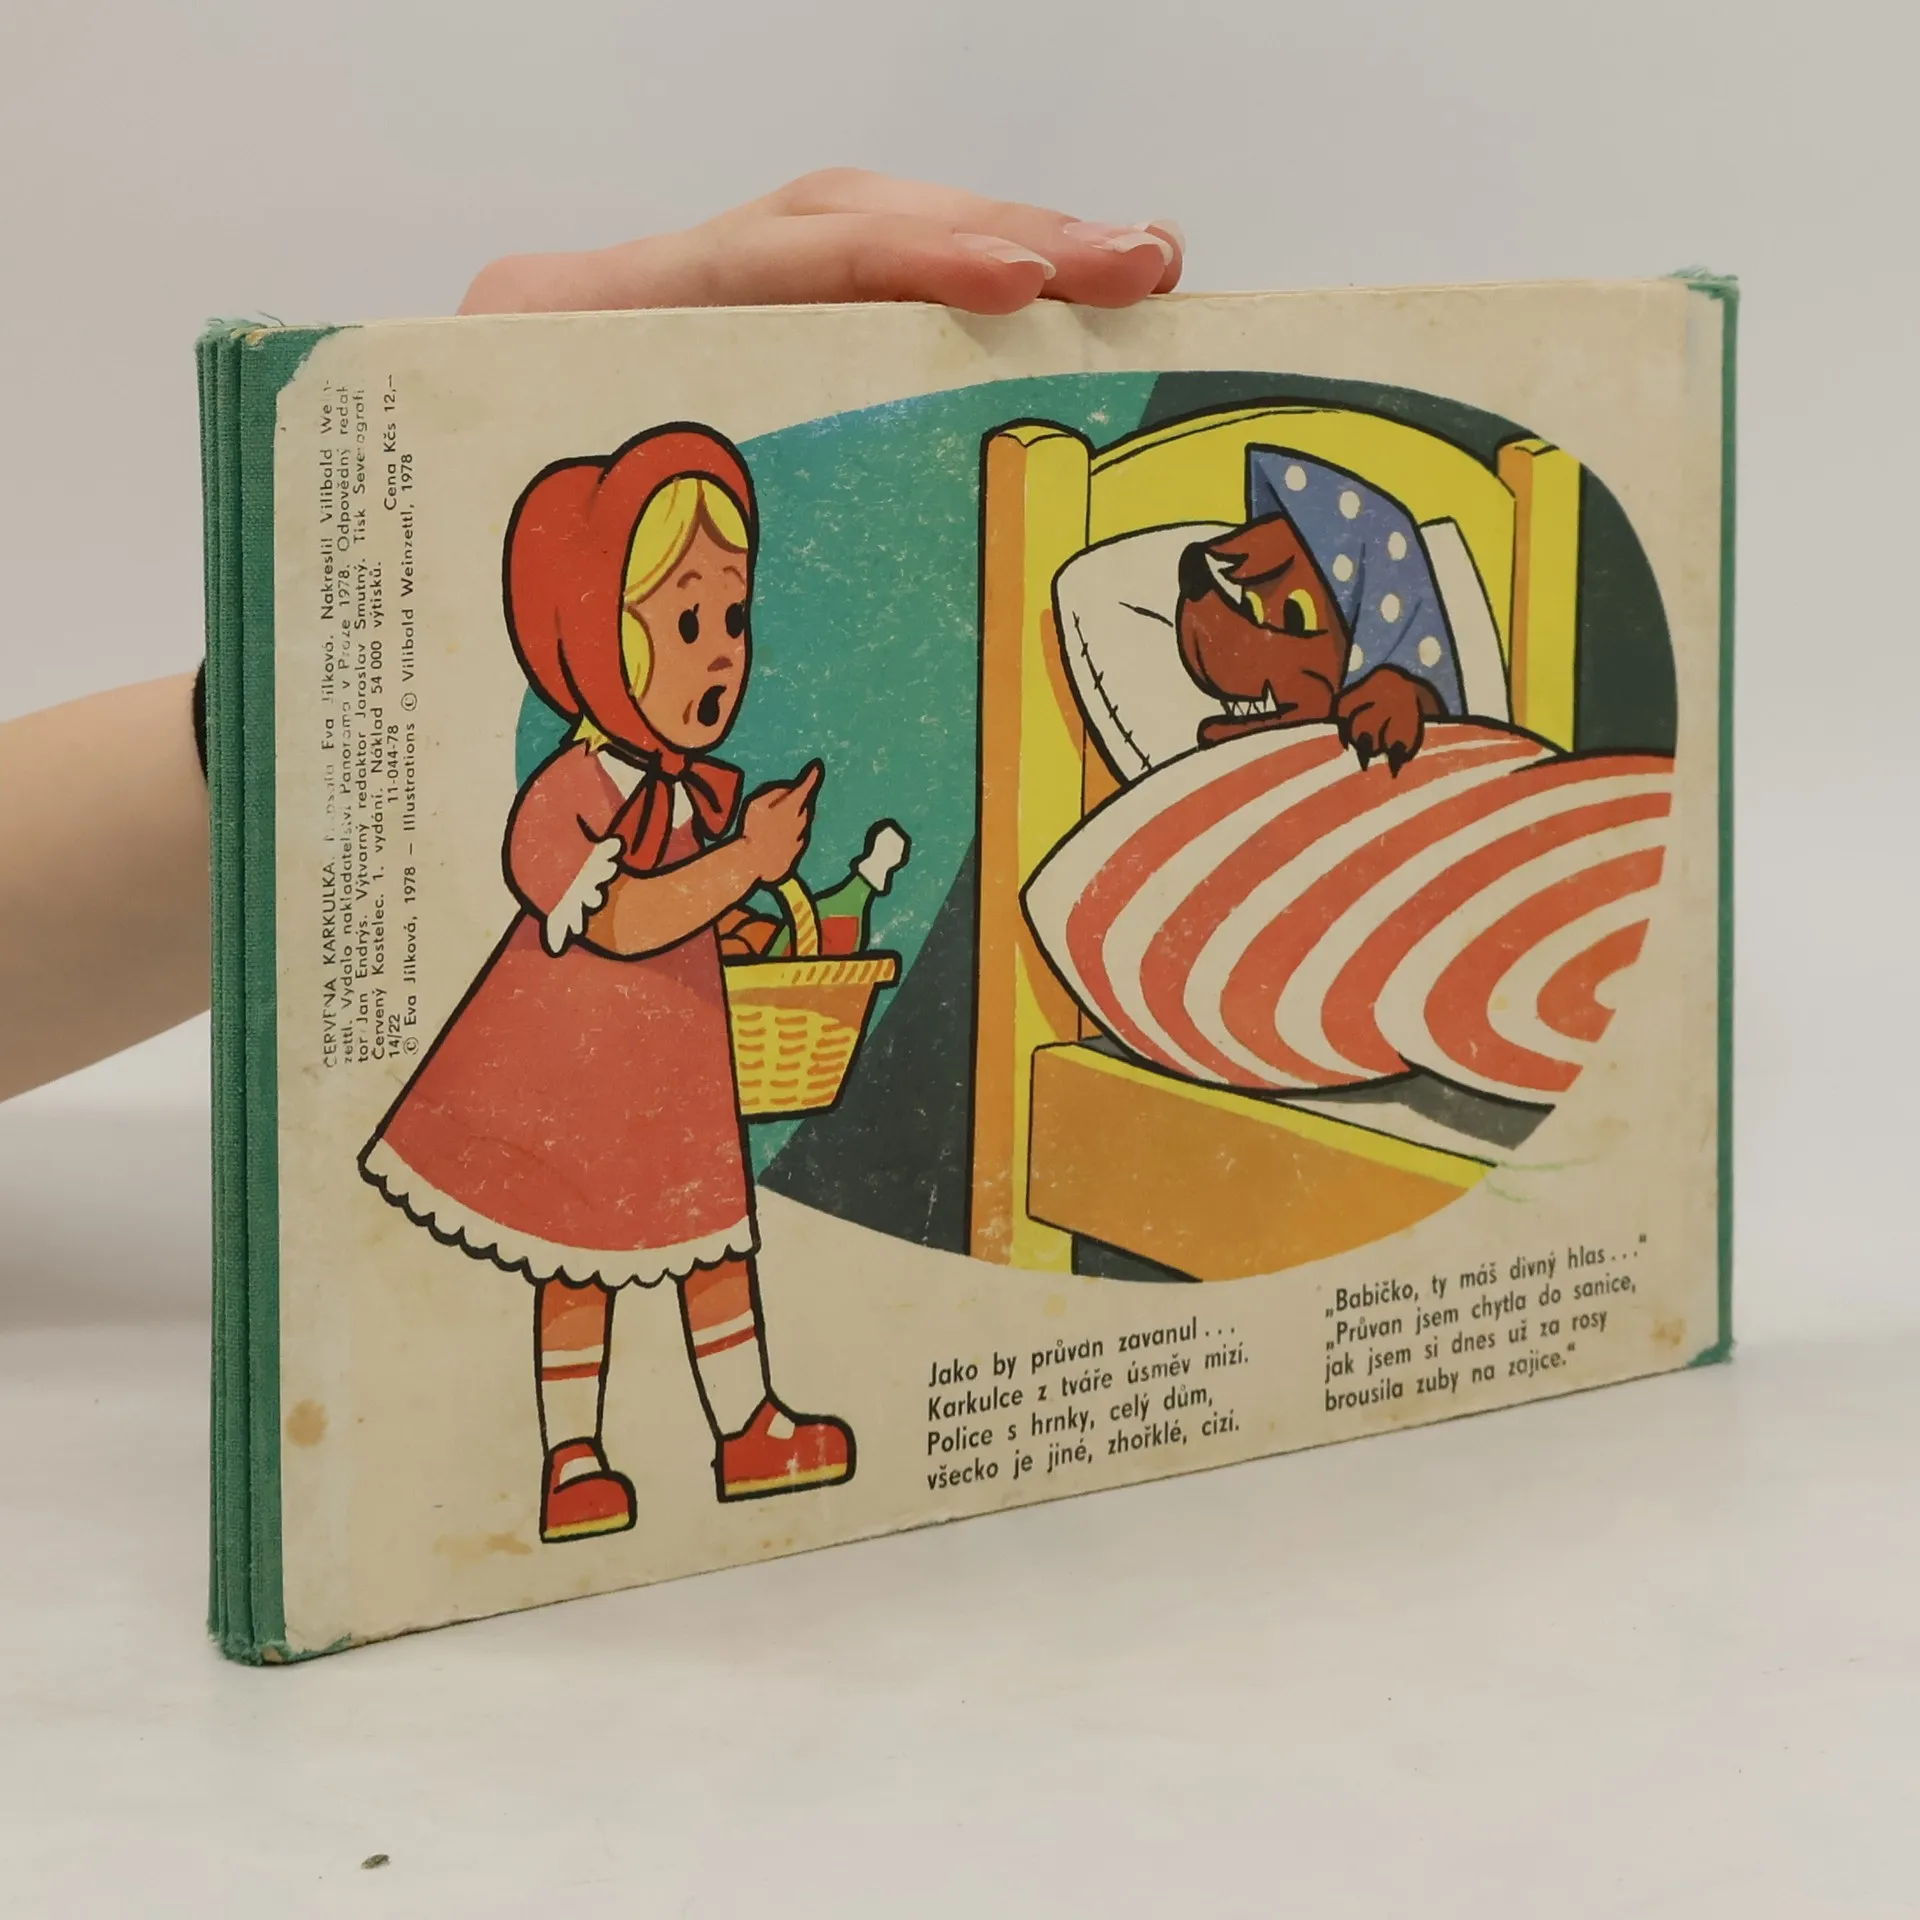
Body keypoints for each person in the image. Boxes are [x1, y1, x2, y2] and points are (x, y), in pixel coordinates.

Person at [0, 172, 1181, 1105]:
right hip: (575, 1084)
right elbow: (618, 919)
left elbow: (731, 925)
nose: (724, 652)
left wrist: (828, 889)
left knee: (707, 1270)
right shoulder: (573, 791)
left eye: (731, 616)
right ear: (583, 635)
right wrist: (744, 863)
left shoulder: (694, 789)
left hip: (675, 1078)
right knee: (591, 1282)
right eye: (686, 619)